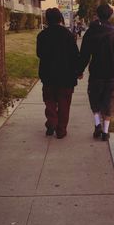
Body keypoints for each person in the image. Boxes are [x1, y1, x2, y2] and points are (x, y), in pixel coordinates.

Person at [79, 4, 114, 141]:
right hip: (112, 75)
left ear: (97, 14)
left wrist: (79, 70)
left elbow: (84, 55)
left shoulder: (90, 32)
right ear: (110, 15)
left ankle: (97, 124)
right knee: (108, 101)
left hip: (96, 74)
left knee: (94, 100)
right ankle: (105, 132)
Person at [37, 8, 79, 138]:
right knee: (64, 104)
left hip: (48, 75)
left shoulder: (42, 35)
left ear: (47, 19)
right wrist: (78, 72)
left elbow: (39, 54)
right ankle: (61, 130)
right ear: (60, 18)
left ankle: (51, 122)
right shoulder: (68, 35)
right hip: (66, 77)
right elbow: (75, 56)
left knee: (49, 101)